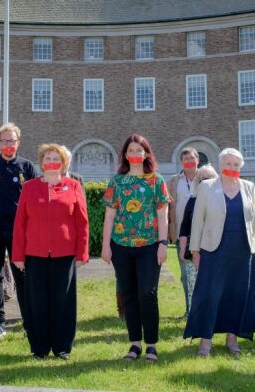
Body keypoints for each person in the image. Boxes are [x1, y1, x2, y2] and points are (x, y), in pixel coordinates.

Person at [184, 148, 255, 357]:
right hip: (213, 250)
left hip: (242, 251)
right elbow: (197, 221)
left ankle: (232, 339)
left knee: (237, 295)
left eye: (236, 164)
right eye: (228, 164)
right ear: (220, 166)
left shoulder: (249, 187)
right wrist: (195, 250)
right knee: (210, 295)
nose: (232, 168)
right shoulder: (207, 186)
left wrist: (252, 243)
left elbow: (253, 220)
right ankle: (205, 341)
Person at [12, 143, 89, 360]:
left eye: (56, 158)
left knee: (62, 301)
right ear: (42, 163)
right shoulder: (29, 187)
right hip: (34, 254)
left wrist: (82, 252)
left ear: (63, 163)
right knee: (37, 301)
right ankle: (39, 348)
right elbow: (20, 224)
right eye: (48, 158)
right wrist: (18, 255)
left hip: (64, 254)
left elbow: (82, 222)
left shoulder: (73, 186)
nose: (52, 162)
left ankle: (62, 347)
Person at [101, 134, 171, 362]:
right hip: (121, 247)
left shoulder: (156, 180)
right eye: (130, 151)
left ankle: (151, 345)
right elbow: (109, 216)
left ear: (146, 154)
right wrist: (106, 246)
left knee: (147, 294)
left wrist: (163, 244)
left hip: (150, 246)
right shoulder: (117, 182)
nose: (135, 155)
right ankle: (135, 345)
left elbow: (163, 214)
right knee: (129, 295)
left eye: (139, 150)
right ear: (125, 155)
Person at [0, 123, 37, 341]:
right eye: (4, 140)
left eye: (12, 140)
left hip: (19, 230)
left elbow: (32, 199)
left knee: (21, 275)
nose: (8, 144)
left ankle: (28, 321)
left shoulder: (27, 166)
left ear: (18, 143)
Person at [176, 165, 218, 315]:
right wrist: (182, 248)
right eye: (202, 179)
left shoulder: (221, 200)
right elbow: (184, 227)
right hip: (193, 250)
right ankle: (195, 314)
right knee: (193, 284)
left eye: (209, 178)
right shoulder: (192, 201)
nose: (205, 181)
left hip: (215, 250)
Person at [168, 147, 201, 316]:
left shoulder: (207, 178)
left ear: (198, 160)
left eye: (192, 158)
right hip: (182, 236)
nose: (189, 161)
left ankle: (204, 309)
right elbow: (167, 208)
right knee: (185, 275)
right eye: (185, 159)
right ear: (181, 162)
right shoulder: (174, 181)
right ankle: (190, 310)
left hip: (204, 236)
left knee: (204, 273)